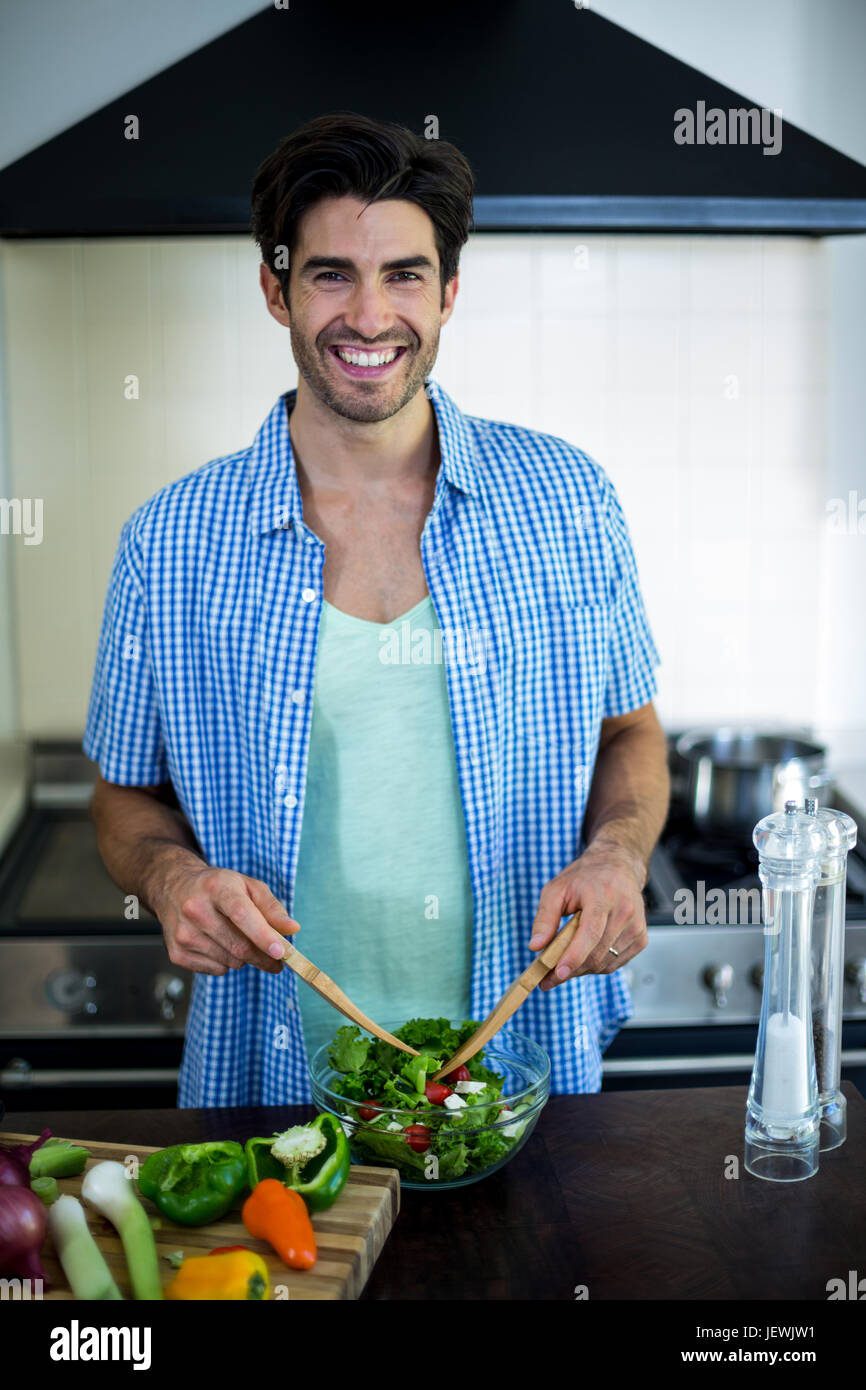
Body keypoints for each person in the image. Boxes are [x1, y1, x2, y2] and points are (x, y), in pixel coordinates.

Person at [84, 112, 670, 1106]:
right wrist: (170, 879)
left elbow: (632, 731)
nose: (367, 316)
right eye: (329, 274)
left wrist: (617, 854)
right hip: (273, 1079)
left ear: (446, 293)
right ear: (275, 289)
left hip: (521, 1064)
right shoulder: (169, 542)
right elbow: (121, 799)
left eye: (402, 274)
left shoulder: (570, 502)